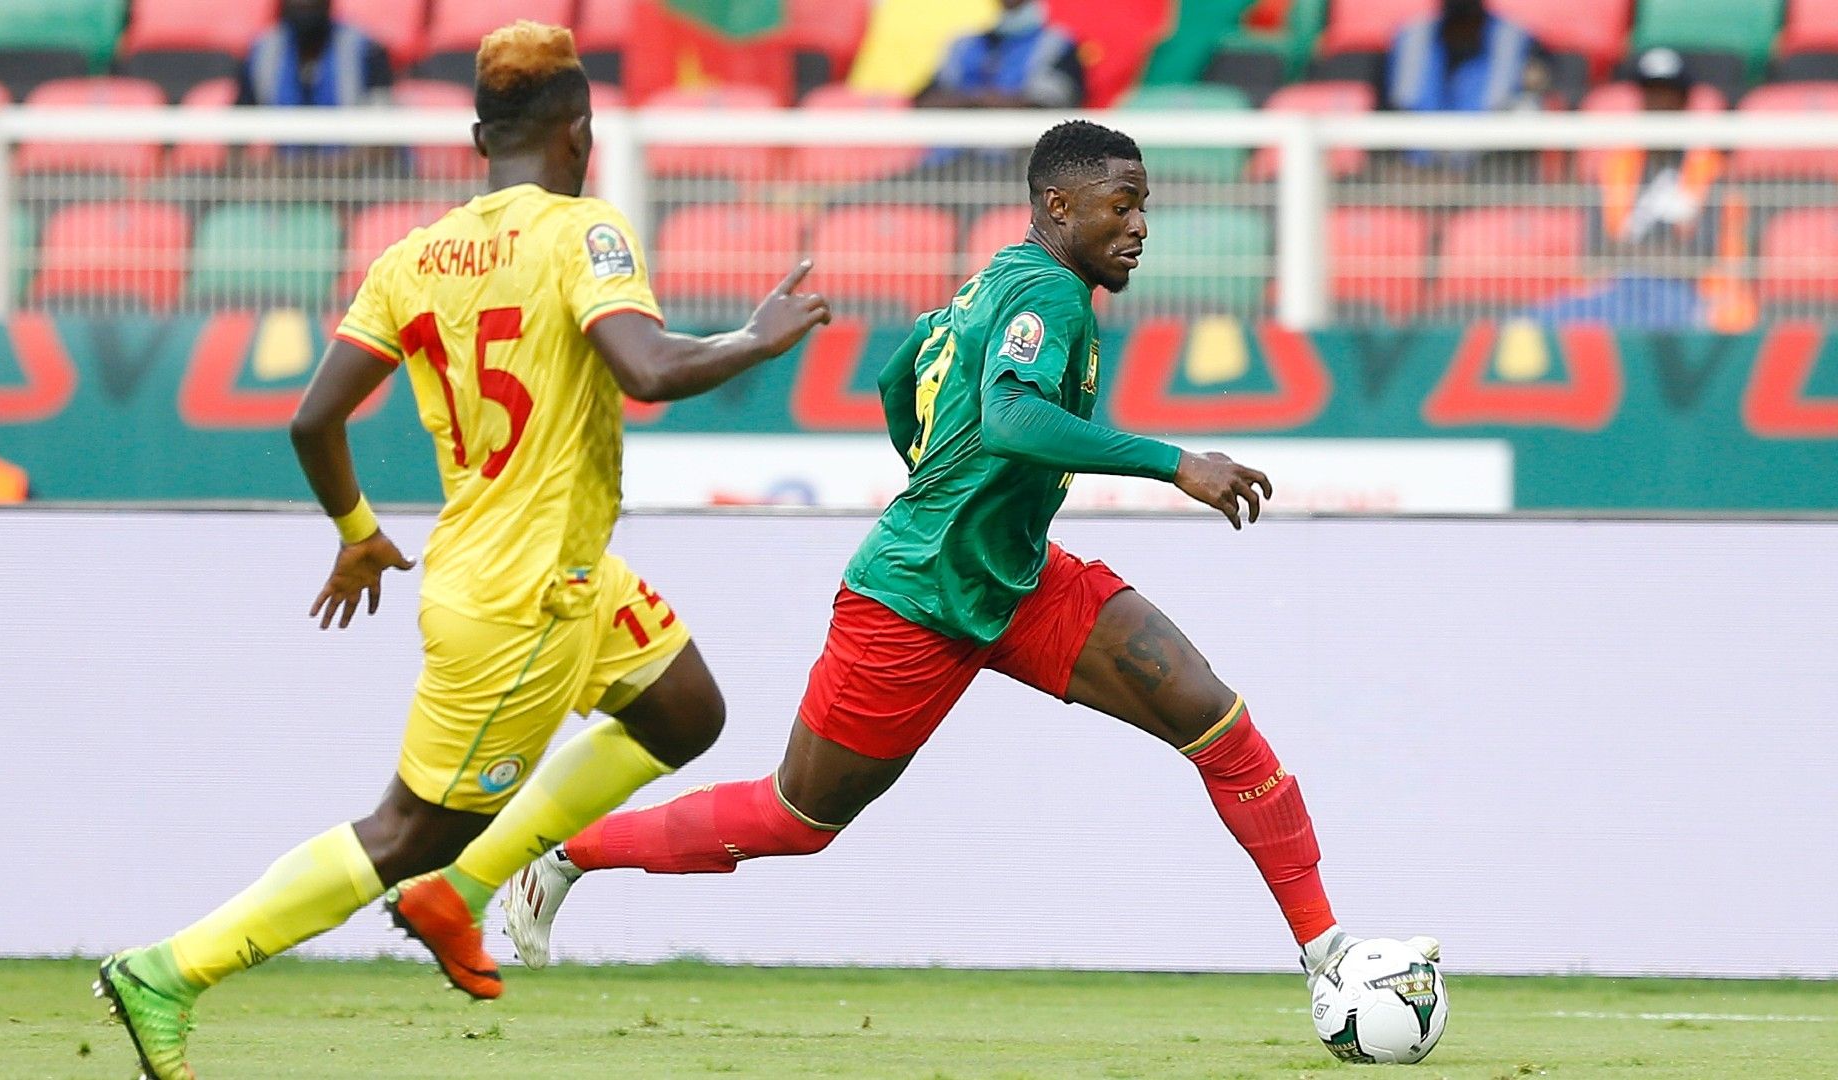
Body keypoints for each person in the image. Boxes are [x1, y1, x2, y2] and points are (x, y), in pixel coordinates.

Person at [502, 120, 1438, 995]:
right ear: (1059, 207)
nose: (1141, 225)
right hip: (914, 599)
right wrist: (1176, 463)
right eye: (1123, 204)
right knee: (798, 818)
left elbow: (897, 367)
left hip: (1020, 576)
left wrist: (931, 468)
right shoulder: (1049, 293)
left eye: (1144, 204)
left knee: (1214, 720)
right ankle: (562, 853)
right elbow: (1012, 416)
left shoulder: (997, 280)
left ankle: (1328, 953)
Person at [95, 21, 831, 1080]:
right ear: (581, 135)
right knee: (406, 831)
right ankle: (172, 969)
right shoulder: (584, 234)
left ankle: (465, 890)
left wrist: (358, 533)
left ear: (481, 139)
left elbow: (313, 419)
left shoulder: (410, 257)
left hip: (546, 566)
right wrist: (753, 339)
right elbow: (649, 370)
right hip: (522, 600)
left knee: (686, 712)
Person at [1535, 48, 1756, 331]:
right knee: (1530, 325)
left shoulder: (1711, 170)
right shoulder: (1614, 166)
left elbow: (1702, 256)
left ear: (1684, 101)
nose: (1658, 103)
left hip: (1692, 298)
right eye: (1650, 93)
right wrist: (1657, 256)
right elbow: (1595, 249)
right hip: (1617, 291)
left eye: (1668, 93)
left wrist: (1631, 254)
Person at [915, 0, 1084, 110]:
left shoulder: (1056, 44)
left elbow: (1052, 103)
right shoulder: (964, 45)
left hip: (1022, 158)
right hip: (954, 159)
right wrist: (978, 100)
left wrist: (982, 102)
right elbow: (924, 100)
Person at [1383, 0, 1541, 116]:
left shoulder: (1510, 36)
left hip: (1489, 149)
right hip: (1419, 149)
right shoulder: (1413, 35)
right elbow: (1401, 100)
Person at [238, 0, 393, 109]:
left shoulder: (367, 51)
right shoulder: (263, 51)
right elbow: (240, 127)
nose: (305, 5)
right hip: (285, 155)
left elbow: (383, 133)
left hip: (351, 154)